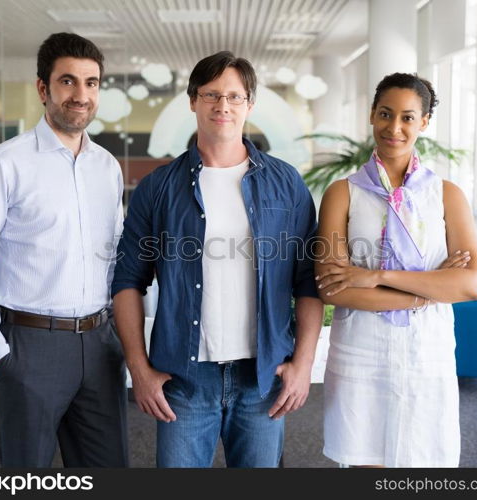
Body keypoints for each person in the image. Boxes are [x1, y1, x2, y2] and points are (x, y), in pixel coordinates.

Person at [112, 51, 323, 468]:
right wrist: (138, 368)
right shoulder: (159, 187)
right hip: (185, 380)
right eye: (211, 95)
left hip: (262, 378)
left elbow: (307, 281)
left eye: (234, 96)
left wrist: (303, 364)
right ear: (192, 101)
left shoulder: (286, 183)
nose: (222, 106)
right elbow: (127, 281)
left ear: (249, 104)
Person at [0, 33, 128, 467]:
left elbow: (116, 258)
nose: (81, 95)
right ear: (43, 88)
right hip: (29, 346)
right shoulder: (3, 163)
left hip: (101, 344)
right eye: (68, 81)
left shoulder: (106, 167)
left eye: (91, 83)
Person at [315, 73, 477, 467]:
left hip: (427, 350)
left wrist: (375, 276)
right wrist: (429, 289)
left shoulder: (446, 195)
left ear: (424, 122)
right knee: (363, 461)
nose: (395, 128)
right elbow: (333, 288)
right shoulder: (343, 193)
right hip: (361, 349)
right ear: (371, 116)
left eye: (408, 117)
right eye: (385, 114)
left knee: (423, 461)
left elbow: (471, 284)